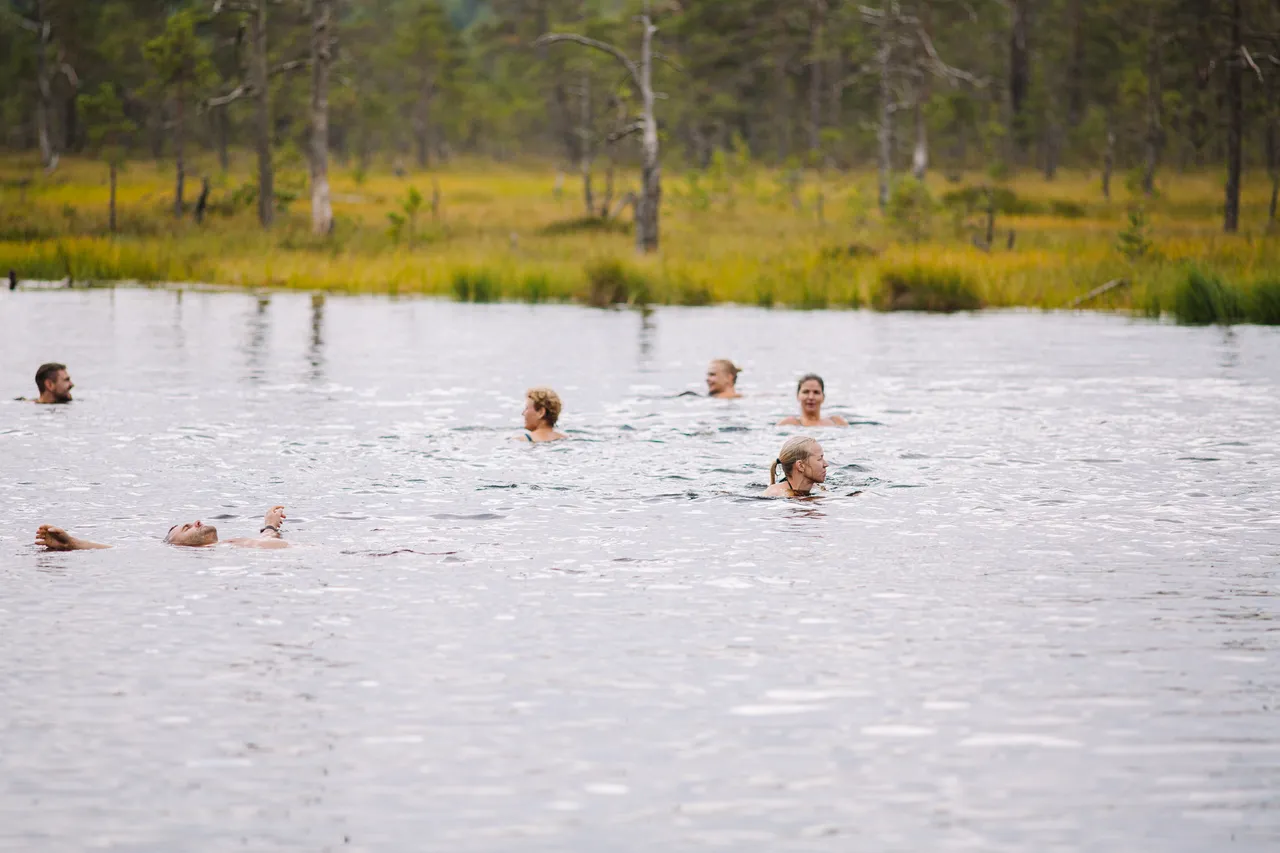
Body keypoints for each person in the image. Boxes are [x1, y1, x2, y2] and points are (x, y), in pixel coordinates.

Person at [35, 506, 290, 551]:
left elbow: (268, 537)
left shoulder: (229, 545)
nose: (197, 523)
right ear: (177, 545)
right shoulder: (215, 554)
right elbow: (116, 549)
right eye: (186, 528)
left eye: (193, 521)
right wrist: (73, 543)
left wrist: (269, 522)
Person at [763, 436, 828, 497]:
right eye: (819, 459)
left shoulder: (820, 490)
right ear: (800, 466)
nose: (826, 464)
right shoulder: (774, 493)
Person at [778, 374, 849, 428]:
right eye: (806, 392)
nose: (811, 397)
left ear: (823, 397)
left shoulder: (837, 422)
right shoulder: (788, 424)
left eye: (816, 392)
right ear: (798, 396)